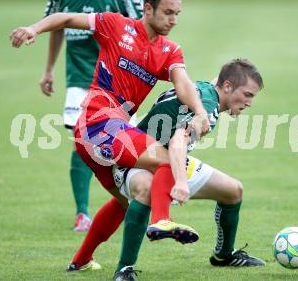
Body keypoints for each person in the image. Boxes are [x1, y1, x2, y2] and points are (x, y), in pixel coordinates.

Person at [10, 0, 211, 272]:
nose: (173, 20)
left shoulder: (169, 51)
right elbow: (66, 17)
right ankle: (161, 220)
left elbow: (183, 83)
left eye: (177, 14)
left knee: (128, 202)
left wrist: (199, 110)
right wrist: (34, 28)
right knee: (170, 159)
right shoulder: (115, 25)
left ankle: (80, 261)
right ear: (147, 8)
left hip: (102, 136)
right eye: (168, 12)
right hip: (97, 122)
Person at [111, 59, 266, 280]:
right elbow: (177, 143)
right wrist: (182, 183)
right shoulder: (208, 108)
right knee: (146, 189)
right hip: (134, 162)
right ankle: (124, 270)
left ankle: (224, 255)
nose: (250, 102)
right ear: (228, 86)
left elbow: (216, 82)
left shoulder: (208, 92)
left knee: (233, 191)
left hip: (167, 161)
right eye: (248, 95)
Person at [41, 0, 143, 232]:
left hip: (114, 83)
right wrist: (49, 70)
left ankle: (141, 200)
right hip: (78, 81)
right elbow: (56, 29)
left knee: (123, 147)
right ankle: (82, 214)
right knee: (81, 144)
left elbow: (143, 28)